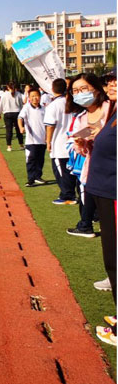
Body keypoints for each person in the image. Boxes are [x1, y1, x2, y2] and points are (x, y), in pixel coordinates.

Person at [85, 71, 116, 346]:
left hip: (113, 194)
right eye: (109, 80)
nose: (112, 84)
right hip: (105, 192)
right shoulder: (114, 110)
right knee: (112, 259)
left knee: (115, 260)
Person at [65, 73, 110, 238]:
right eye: (75, 91)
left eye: (83, 89)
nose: (79, 94)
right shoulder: (81, 118)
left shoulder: (111, 108)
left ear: (96, 89)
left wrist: (102, 132)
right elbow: (83, 150)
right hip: (94, 169)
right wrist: (80, 144)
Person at [44, 78, 77, 205]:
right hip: (72, 143)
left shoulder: (53, 105)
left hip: (59, 143)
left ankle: (67, 195)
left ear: (53, 89)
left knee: (61, 171)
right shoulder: (71, 102)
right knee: (71, 170)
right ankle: (71, 193)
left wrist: (48, 141)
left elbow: (50, 126)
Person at [18, 88, 46, 187]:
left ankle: (38, 177)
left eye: (36, 96)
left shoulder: (44, 108)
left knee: (40, 159)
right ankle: (30, 179)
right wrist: (21, 127)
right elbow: (20, 118)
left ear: (40, 97)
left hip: (42, 139)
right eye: (32, 96)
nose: (35, 98)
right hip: (31, 140)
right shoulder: (27, 107)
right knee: (31, 159)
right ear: (29, 98)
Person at [0, 82, 24, 152]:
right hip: (17, 113)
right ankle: (21, 145)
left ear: (7, 87)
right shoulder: (18, 94)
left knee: (9, 130)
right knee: (18, 130)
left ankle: (9, 146)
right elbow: (21, 105)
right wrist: (22, 114)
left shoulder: (4, 95)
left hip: (7, 113)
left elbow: (1, 105)